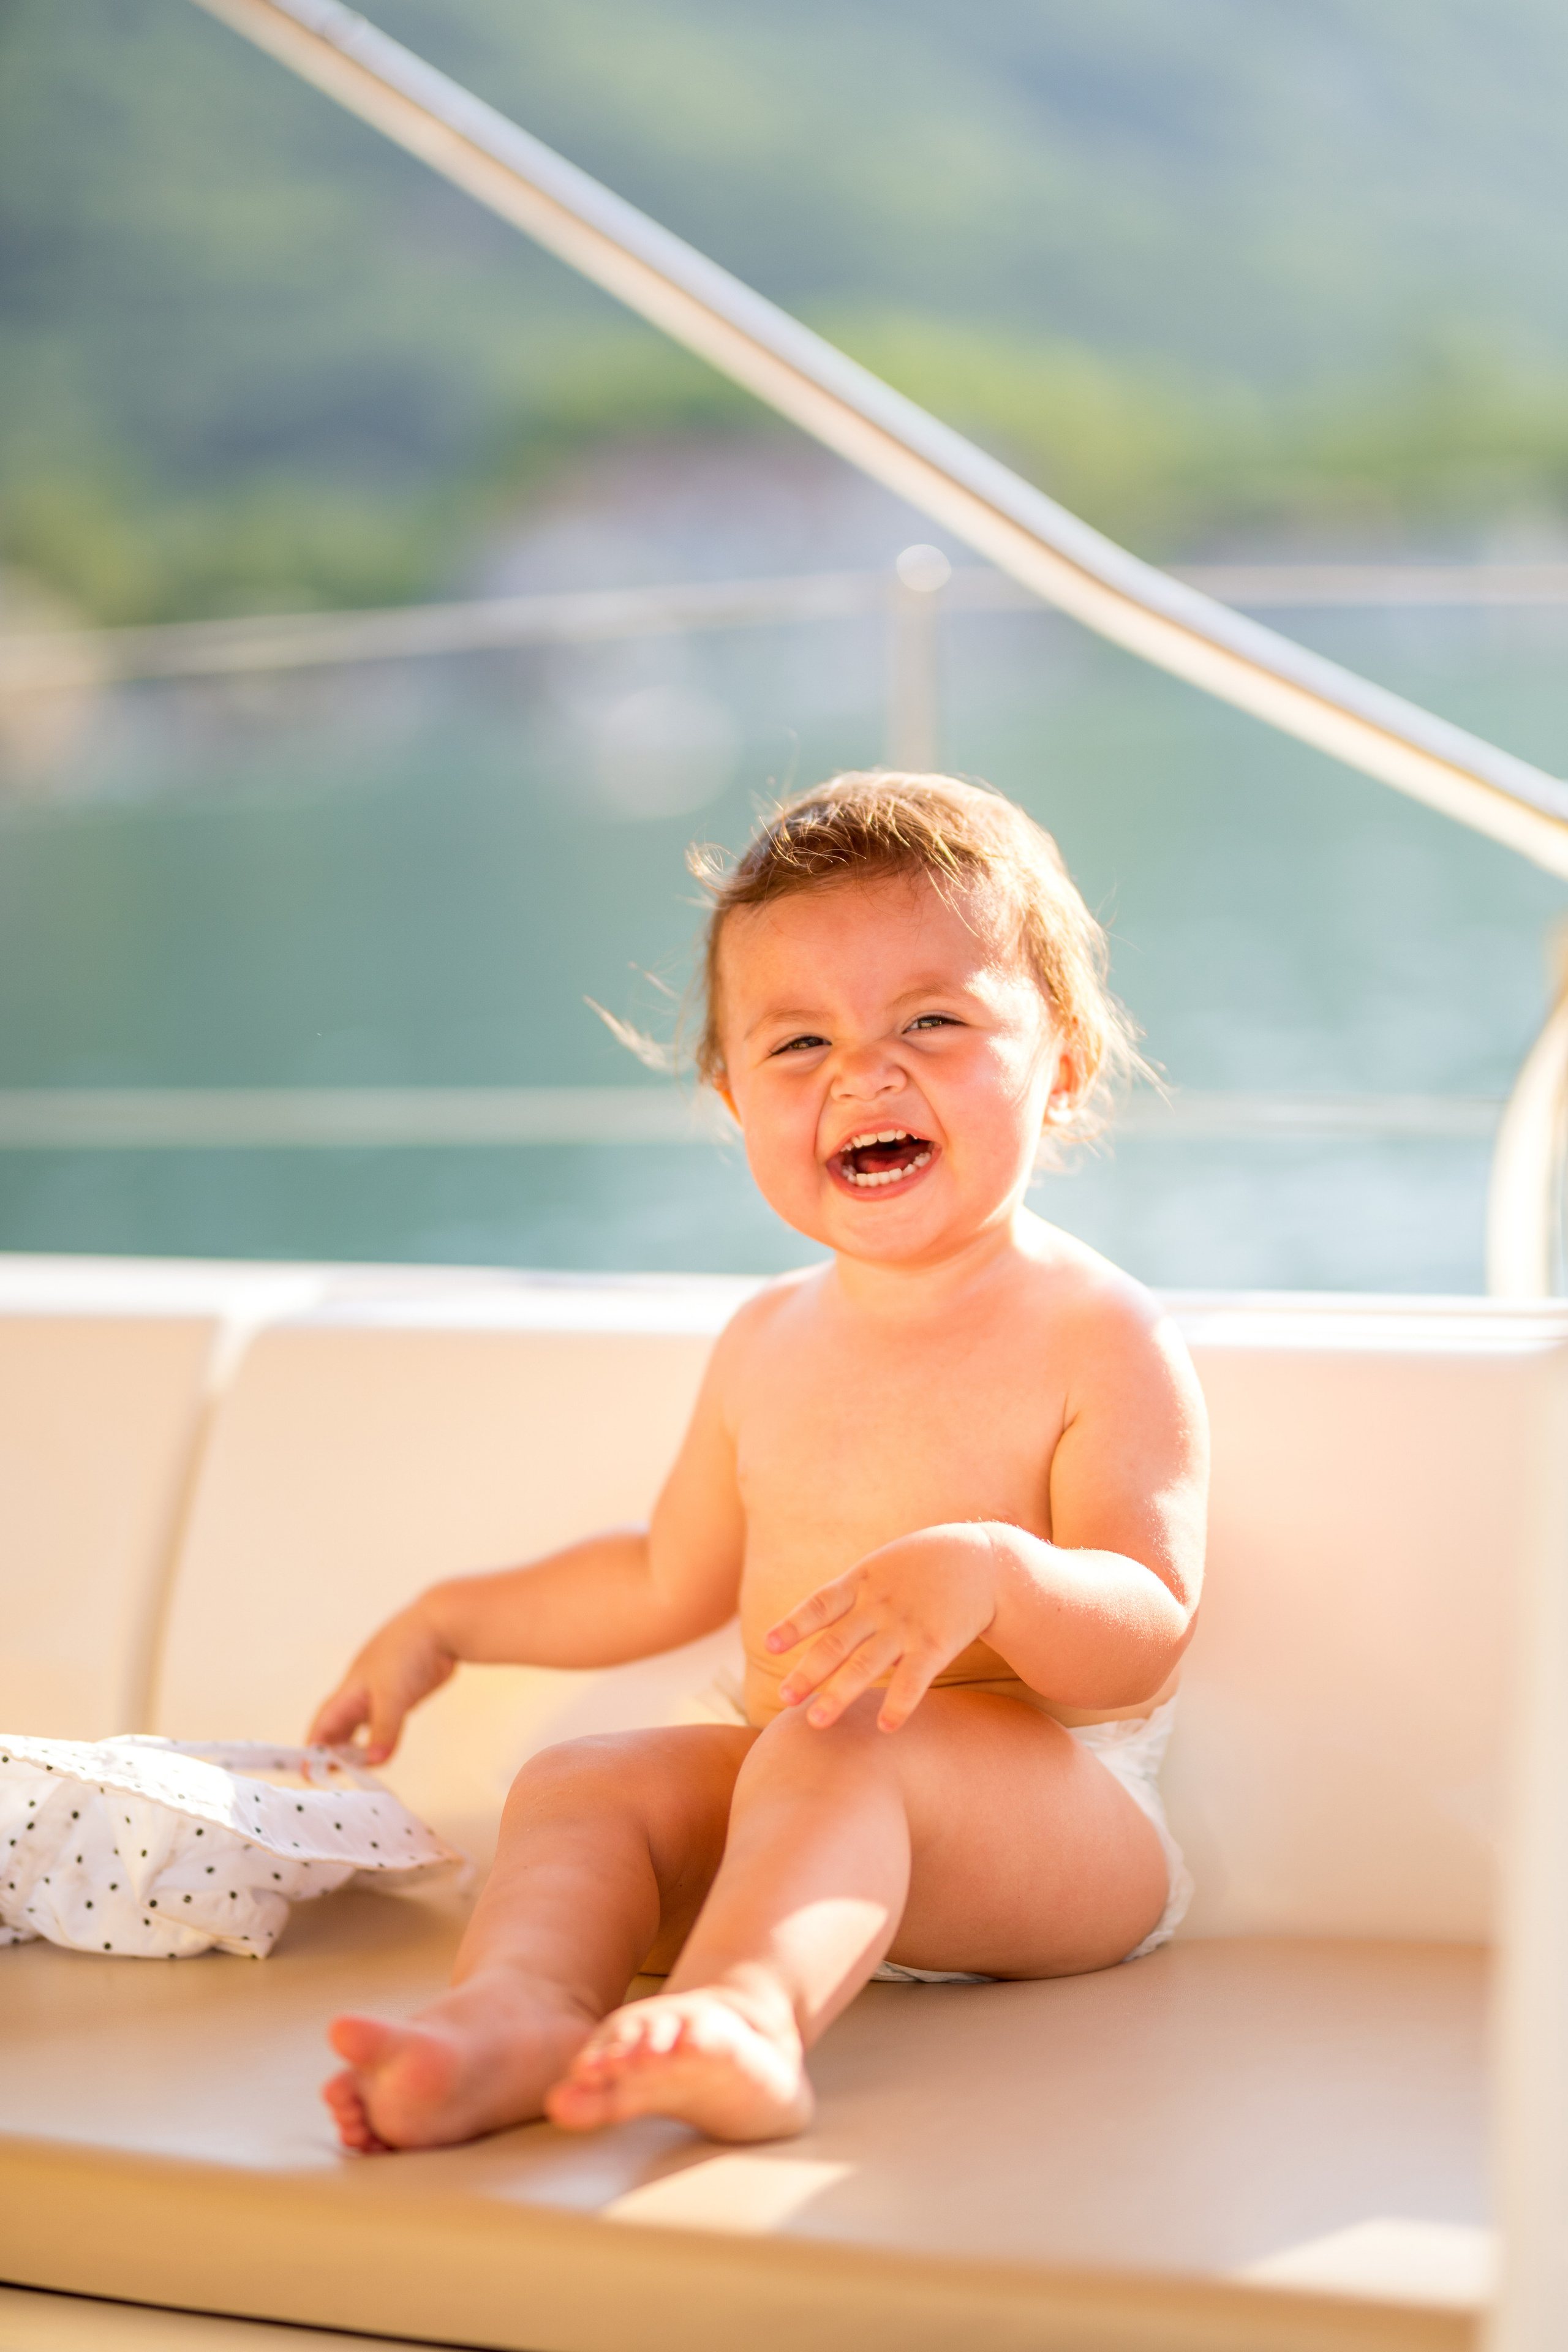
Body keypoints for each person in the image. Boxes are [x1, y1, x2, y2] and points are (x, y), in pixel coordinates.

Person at [311, 771, 1207, 2153]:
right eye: (798, 1046)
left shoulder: (1097, 1331)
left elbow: (1142, 1635)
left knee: (831, 1738)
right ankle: (517, 2014)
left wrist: (991, 1575)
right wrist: (451, 1620)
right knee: (581, 1783)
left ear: (1063, 1058)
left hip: (1054, 1832)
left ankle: (743, 2018)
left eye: (931, 1019)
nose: (864, 1072)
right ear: (732, 1099)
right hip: (798, 1791)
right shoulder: (763, 1341)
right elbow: (664, 1575)